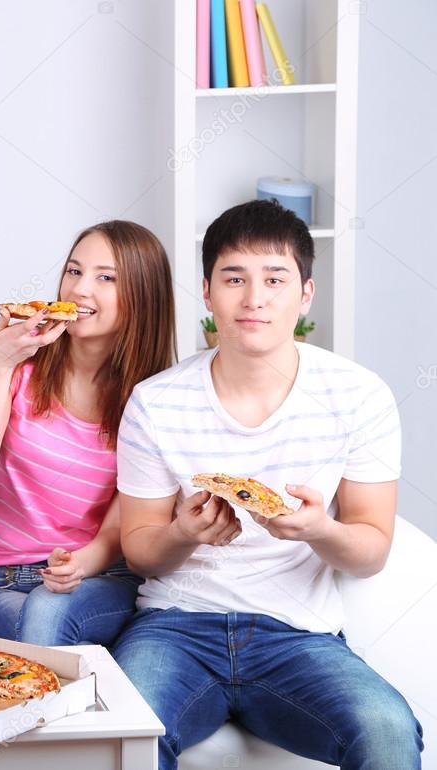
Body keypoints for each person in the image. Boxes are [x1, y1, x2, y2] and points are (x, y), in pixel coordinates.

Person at [113, 199, 423, 769]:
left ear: (305, 293)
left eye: (275, 279)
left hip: (297, 635)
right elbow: (139, 552)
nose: (254, 298)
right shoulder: (155, 401)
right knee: (126, 737)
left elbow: (371, 550)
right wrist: (184, 533)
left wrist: (319, 529)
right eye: (234, 278)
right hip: (175, 627)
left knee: (386, 731)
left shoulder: (358, 394)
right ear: (207, 292)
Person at [0, 220, 176, 646]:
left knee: (53, 615)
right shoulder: (15, 369)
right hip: (6, 581)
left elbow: (117, 531)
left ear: (145, 296)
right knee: (44, 620)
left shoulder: (151, 401)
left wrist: (79, 563)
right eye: (74, 271)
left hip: (101, 577)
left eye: (105, 277)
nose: (80, 289)